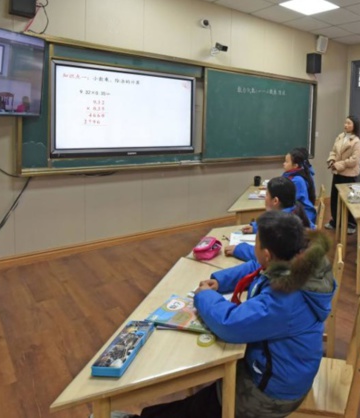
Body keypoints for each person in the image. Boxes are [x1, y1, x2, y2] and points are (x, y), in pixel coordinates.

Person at [134, 211, 334, 418]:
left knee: (195, 409)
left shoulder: (285, 299)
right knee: (204, 395)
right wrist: (220, 281)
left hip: (274, 393)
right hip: (281, 370)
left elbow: (230, 324)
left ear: (267, 254)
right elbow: (256, 267)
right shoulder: (298, 262)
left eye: (256, 243)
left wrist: (205, 296)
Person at [229, 178, 314, 262]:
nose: (264, 198)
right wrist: (255, 228)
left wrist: (239, 249)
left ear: (275, 201)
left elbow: (267, 256)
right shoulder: (295, 210)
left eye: (266, 195)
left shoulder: (282, 226)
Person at [325, 115, 360, 234]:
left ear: (354, 126)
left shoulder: (357, 142)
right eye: (345, 123)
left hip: (348, 174)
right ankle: (336, 221)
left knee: (348, 199)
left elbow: (354, 161)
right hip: (337, 172)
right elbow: (333, 151)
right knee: (335, 198)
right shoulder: (340, 137)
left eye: (349, 123)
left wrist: (338, 164)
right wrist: (331, 160)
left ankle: (351, 223)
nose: (346, 125)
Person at [282, 148, 317, 226]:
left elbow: (290, 203)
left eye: (287, 162)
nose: (283, 163)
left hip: (304, 217)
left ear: (295, 165)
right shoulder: (290, 174)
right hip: (298, 213)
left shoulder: (297, 181)